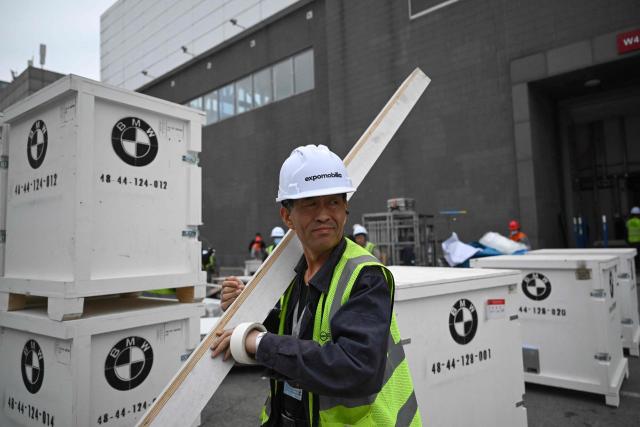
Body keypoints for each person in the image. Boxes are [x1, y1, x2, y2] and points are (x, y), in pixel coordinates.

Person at [211, 144, 421, 426]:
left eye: (333, 202)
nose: (324, 214)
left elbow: (357, 368)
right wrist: (249, 314)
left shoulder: (366, 276)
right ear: (287, 217)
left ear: (345, 210)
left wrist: (259, 343)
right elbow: (298, 334)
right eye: (310, 203)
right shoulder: (292, 273)